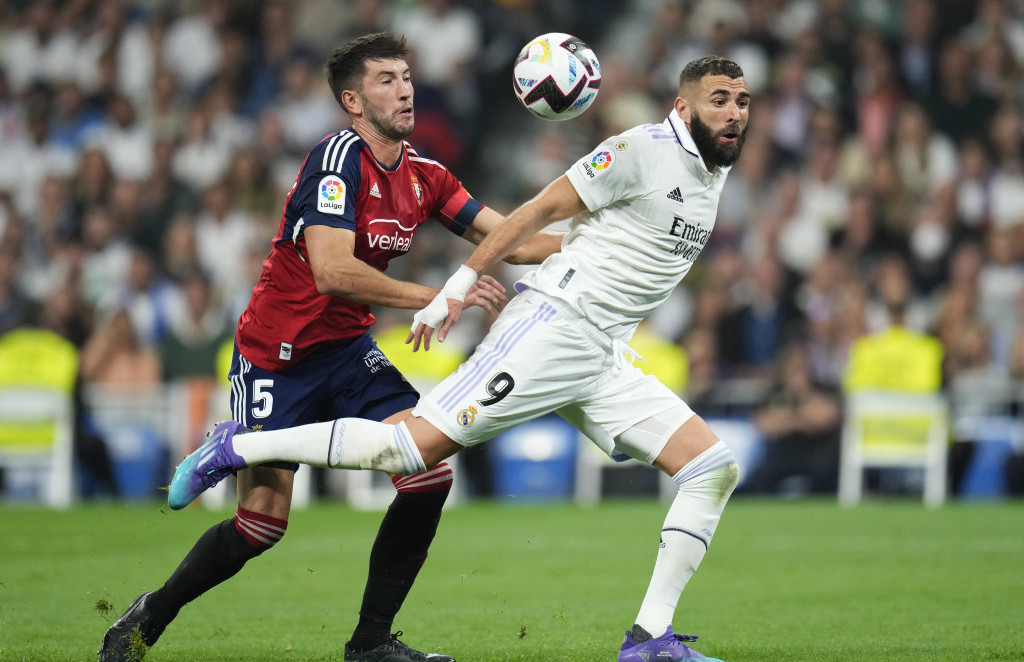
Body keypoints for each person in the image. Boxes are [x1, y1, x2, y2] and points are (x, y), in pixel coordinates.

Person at [170, 55, 750, 662]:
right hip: (551, 332)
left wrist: (596, 241)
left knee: (712, 467)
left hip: (601, 350)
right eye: (718, 100)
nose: (733, 112)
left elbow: (556, 239)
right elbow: (532, 214)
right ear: (681, 106)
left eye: (740, 101)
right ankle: (235, 448)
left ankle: (648, 641)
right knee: (408, 453)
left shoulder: (711, 169)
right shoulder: (636, 149)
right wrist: (453, 288)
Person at [99, 32, 562, 662]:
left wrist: (598, 230)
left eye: (406, 76)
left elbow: (513, 238)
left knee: (426, 472)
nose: (405, 89)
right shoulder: (337, 160)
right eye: (386, 80)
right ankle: (149, 614)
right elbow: (331, 272)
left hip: (346, 351)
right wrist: (440, 292)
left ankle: (370, 643)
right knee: (261, 525)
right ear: (352, 100)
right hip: (275, 356)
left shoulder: (424, 176)